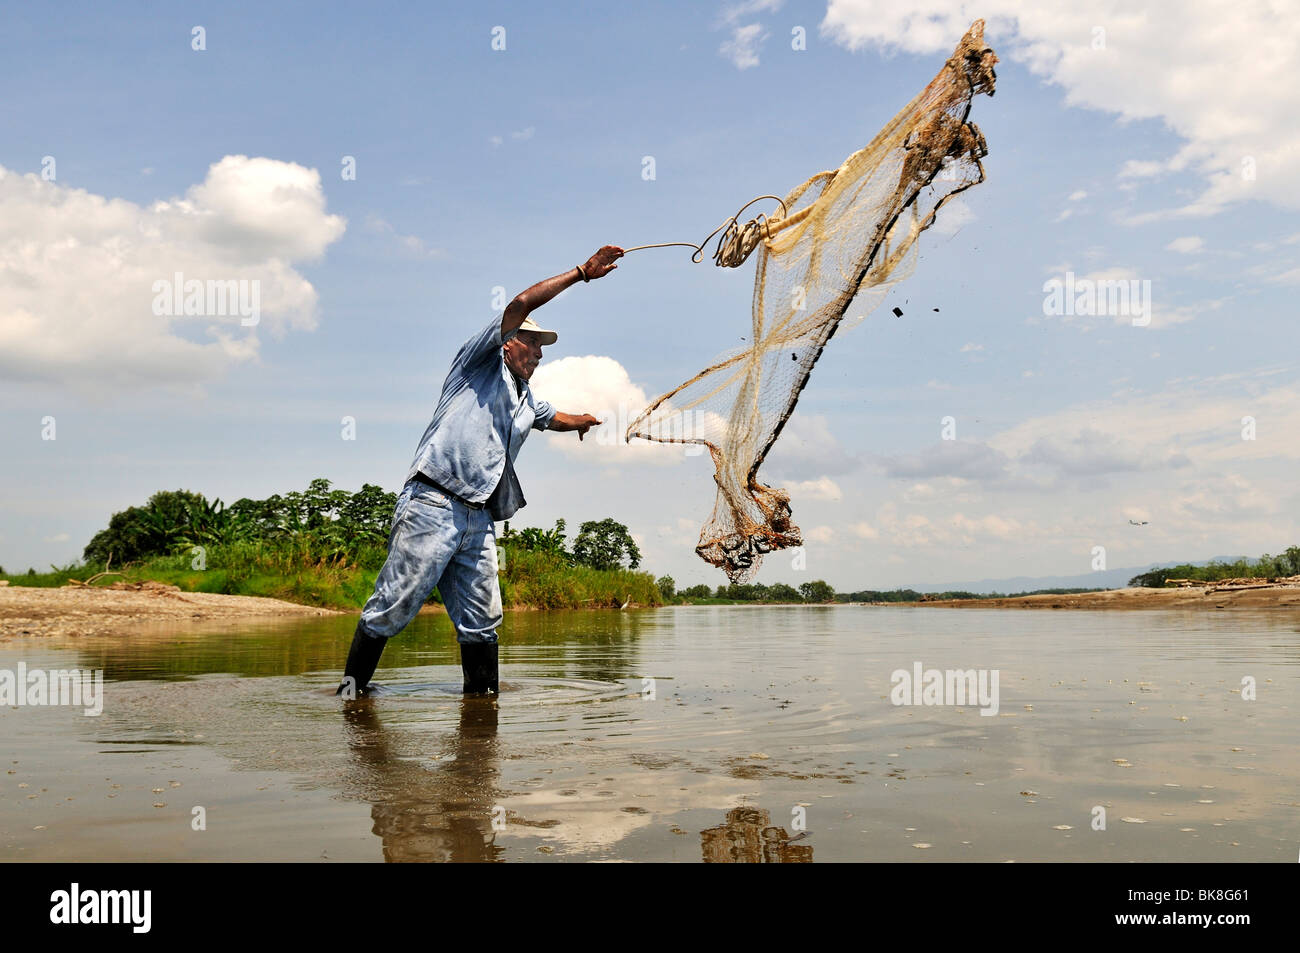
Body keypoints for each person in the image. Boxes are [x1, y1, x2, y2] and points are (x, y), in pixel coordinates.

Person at [337, 245, 624, 698]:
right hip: (434, 501)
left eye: (541, 349)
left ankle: (481, 712)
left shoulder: (526, 399)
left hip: (480, 518)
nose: (539, 354)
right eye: (533, 344)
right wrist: (581, 274)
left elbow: (555, 417)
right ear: (508, 342)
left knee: (482, 622)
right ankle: (350, 696)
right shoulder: (476, 364)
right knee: (394, 605)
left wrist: (583, 422)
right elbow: (520, 304)